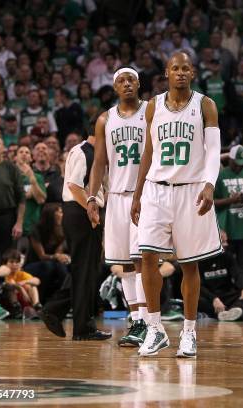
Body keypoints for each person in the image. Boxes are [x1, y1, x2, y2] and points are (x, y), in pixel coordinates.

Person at [131, 51, 222, 358]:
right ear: (166, 73)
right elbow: (148, 152)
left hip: (191, 190)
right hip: (156, 190)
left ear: (192, 73)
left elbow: (213, 150)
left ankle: (189, 331)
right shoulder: (153, 105)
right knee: (147, 256)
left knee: (189, 263)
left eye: (186, 68)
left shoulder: (205, 105)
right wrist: (137, 194)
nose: (181, 73)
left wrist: (210, 184)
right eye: (175, 68)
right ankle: (155, 329)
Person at [87, 66, 149, 348]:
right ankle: (137, 319)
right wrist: (91, 198)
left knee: (141, 259)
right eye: (121, 80)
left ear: (138, 84)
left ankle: (146, 321)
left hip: (145, 195)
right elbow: (99, 162)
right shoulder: (105, 119)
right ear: (114, 88)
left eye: (131, 79)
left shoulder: (151, 111)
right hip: (116, 196)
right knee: (124, 263)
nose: (126, 84)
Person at [40, 134, 110, 341]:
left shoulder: (94, 153)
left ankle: (81, 325)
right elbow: (73, 185)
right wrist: (91, 210)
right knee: (84, 270)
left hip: (83, 210)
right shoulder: (82, 151)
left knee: (87, 271)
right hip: (81, 211)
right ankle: (56, 311)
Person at [214, 145, 243, 280]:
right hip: (226, 230)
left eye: (242, 164)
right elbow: (211, 202)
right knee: (227, 269)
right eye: (236, 164)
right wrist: (232, 200)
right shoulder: (219, 175)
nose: (239, 167)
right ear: (230, 159)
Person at [2, 248, 42, 319]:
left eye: (17, 262)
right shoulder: (4, 274)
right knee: (12, 286)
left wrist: (25, 282)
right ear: (5, 264)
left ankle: (37, 306)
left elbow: (37, 281)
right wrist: (20, 288)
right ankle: (16, 309)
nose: (14, 264)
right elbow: (8, 285)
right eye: (11, 262)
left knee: (32, 285)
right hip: (8, 302)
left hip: (25, 300)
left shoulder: (21, 274)